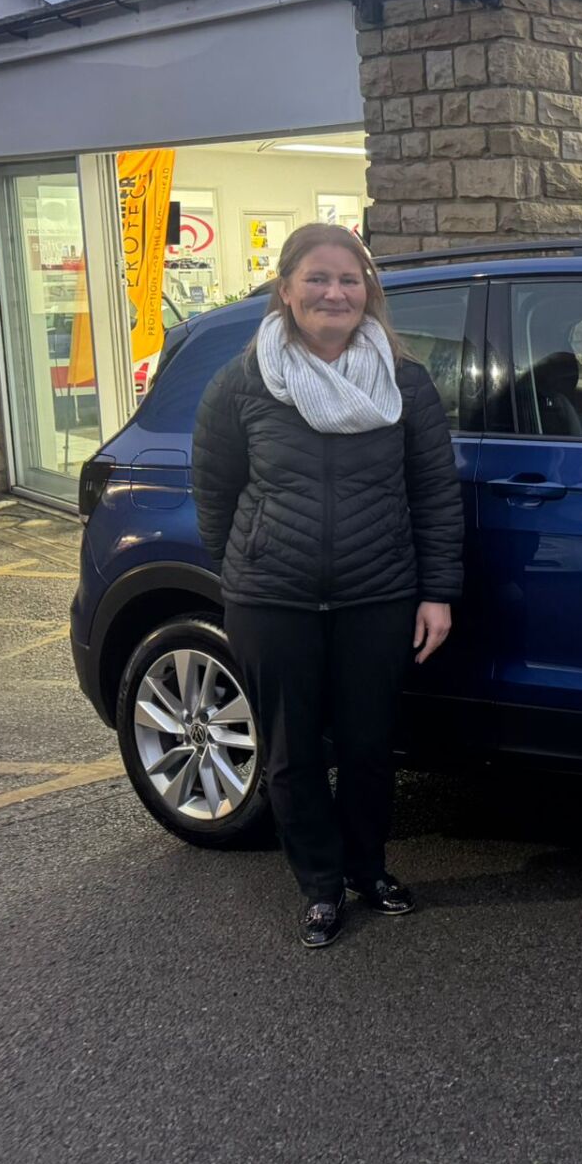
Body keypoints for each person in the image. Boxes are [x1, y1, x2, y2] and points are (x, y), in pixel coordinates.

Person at [192, 224, 462, 949]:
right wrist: (245, 569)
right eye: (316, 278)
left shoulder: (404, 382)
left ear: (368, 291)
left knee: (371, 748)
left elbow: (435, 492)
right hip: (271, 601)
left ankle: (368, 868)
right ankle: (319, 885)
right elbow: (214, 491)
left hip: (377, 597)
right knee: (292, 754)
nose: (334, 292)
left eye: (349, 279)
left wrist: (437, 591)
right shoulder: (244, 380)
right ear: (286, 289)